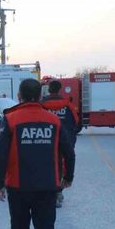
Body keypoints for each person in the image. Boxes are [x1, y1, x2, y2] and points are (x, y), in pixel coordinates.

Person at [0, 78, 75, 229]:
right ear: (39, 96)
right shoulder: (53, 121)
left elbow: (0, 155)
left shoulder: (10, 119)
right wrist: (68, 177)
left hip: (18, 187)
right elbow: (69, 151)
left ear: (19, 96)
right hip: (47, 186)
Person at [41, 80, 79, 208]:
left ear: (49, 89)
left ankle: (46, 192)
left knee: (45, 166)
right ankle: (58, 192)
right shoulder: (68, 105)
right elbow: (76, 122)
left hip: (45, 140)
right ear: (59, 90)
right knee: (61, 166)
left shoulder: (42, 105)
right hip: (64, 141)